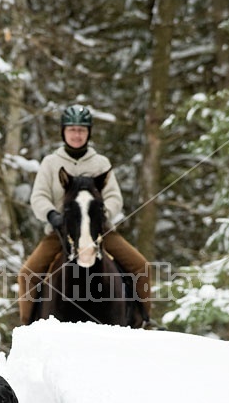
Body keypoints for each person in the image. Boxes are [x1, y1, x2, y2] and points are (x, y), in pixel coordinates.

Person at [17, 104, 151, 325]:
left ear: (88, 133)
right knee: (27, 274)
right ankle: (27, 326)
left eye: (81, 130)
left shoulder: (100, 163)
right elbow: (38, 196)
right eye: (72, 129)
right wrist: (52, 215)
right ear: (63, 132)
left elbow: (114, 197)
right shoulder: (51, 163)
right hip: (61, 232)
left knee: (140, 266)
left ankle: (144, 320)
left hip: (99, 231)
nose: (76, 134)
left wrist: (98, 215)